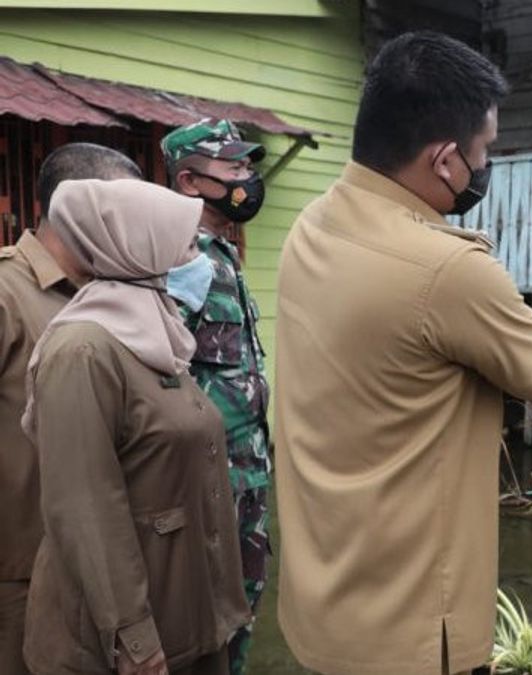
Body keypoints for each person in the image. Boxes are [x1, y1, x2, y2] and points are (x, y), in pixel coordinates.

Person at [274, 32, 532, 675]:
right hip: (410, 634)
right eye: (485, 151)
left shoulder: (312, 224)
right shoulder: (445, 268)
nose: (486, 165)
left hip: (324, 609)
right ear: (445, 161)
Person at [21, 178, 249, 675]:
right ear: (139, 246)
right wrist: (134, 638)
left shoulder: (157, 335)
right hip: (118, 646)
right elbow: (85, 505)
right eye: (186, 244)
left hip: (185, 618)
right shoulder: (83, 349)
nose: (198, 259)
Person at [0, 143, 142, 675]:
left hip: (86, 565)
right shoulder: (8, 293)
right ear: (77, 210)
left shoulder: (98, 295)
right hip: (16, 576)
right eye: (122, 211)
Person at [160, 118, 271, 675]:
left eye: (247, 167)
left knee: (242, 613)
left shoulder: (222, 252)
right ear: (189, 182)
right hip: (209, 481)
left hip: (246, 473)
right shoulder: (178, 258)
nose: (247, 179)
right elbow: (161, 366)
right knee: (207, 624)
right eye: (233, 169)